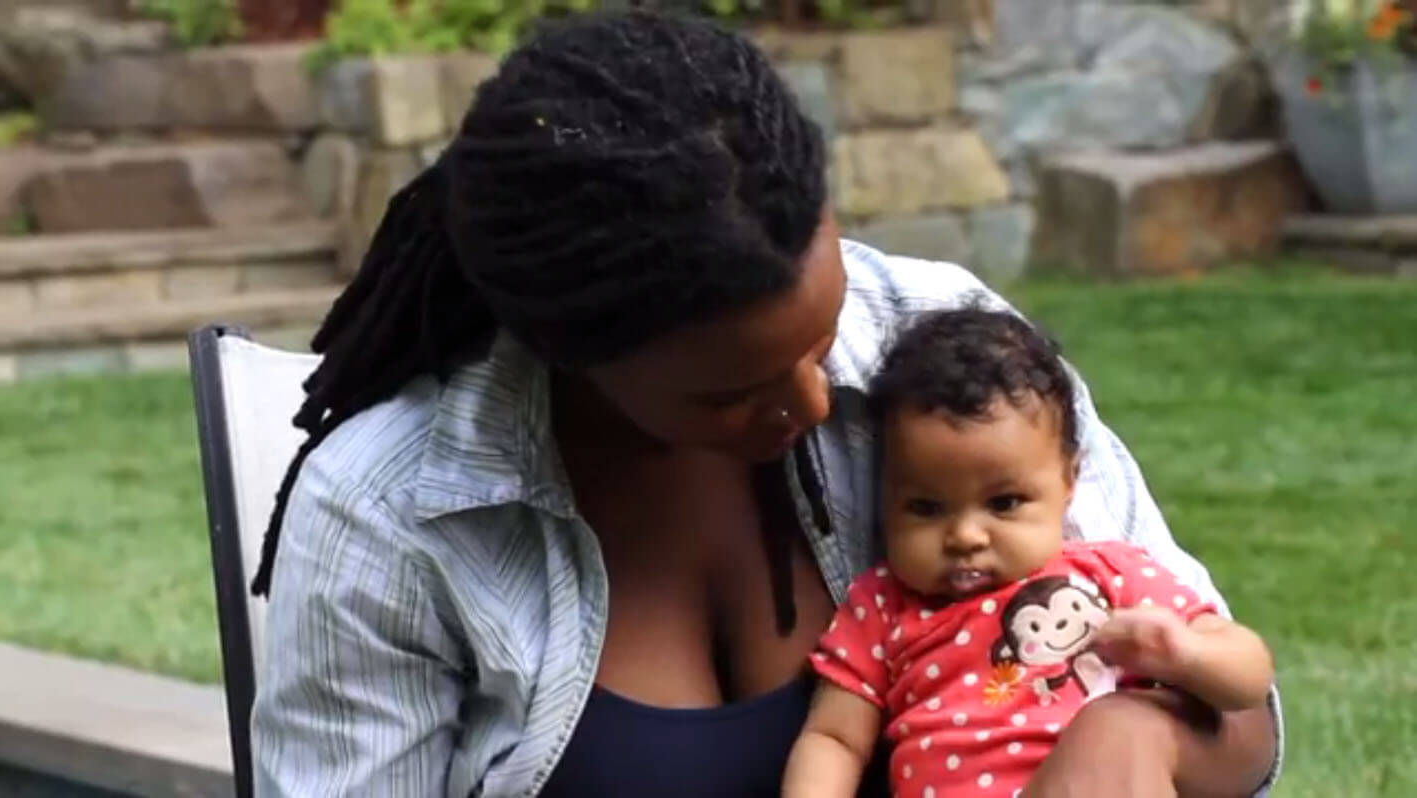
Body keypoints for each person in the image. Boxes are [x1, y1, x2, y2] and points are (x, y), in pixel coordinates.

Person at [249, 11, 1282, 797]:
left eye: (820, 336)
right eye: (731, 392)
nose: (819, 398)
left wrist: (1138, 735)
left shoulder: (952, 352)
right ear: (576, 353)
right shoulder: (390, 515)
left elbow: (1244, 723)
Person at [782, 309, 1275, 798]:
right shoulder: (882, 608)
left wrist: (1187, 655)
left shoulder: (1110, 576)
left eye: (1004, 503)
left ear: (1068, 482)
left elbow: (1249, 676)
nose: (966, 536)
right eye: (926, 508)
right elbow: (836, 739)